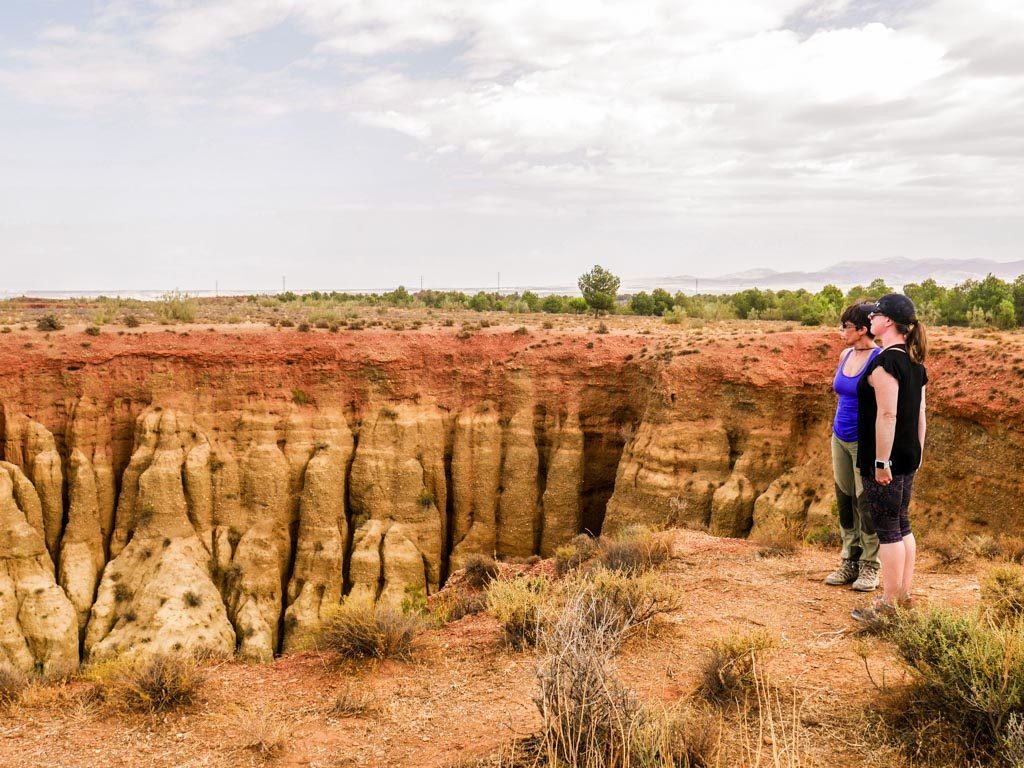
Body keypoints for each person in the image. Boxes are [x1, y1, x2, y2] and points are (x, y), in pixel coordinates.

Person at [852, 294, 928, 621]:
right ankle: (904, 596)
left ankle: (887, 604)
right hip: (908, 454)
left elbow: (887, 416)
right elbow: (922, 416)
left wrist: (882, 462)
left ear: (889, 322)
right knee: (902, 523)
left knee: (888, 529)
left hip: (885, 458)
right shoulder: (914, 363)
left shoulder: (886, 363)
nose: (871, 318)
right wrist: (918, 453)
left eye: (876, 314)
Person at [824, 303, 881, 592]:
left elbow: (887, 408)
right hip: (839, 437)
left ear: (861, 329)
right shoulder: (845, 354)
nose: (840, 331)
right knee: (845, 501)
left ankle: (871, 565)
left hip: (864, 441)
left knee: (866, 504)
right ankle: (850, 559)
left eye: (845, 326)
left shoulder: (879, 359)